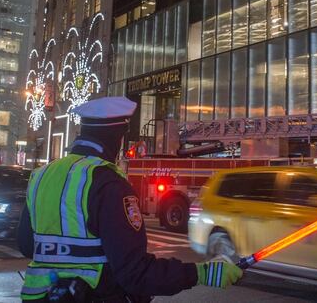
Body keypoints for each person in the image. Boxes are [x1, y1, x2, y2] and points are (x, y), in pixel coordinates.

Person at [17, 96, 242, 302]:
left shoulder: (41, 176)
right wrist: (201, 273)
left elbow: (27, 245)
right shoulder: (107, 182)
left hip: (39, 296)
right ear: (117, 137)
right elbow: (134, 273)